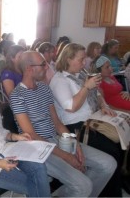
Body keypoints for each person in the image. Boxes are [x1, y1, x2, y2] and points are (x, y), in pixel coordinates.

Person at [10, 51, 116, 197]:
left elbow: (57, 123)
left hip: (56, 140)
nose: (47, 67)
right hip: (37, 149)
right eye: (42, 64)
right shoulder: (17, 96)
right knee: (83, 185)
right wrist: (67, 156)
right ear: (29, 68)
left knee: (108, 164)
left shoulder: (44, 88)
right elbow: (31, 135)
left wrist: (74, 145)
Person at [49, 43, 124, 197]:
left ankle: (113, 185)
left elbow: (97, 92)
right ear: (68, 59)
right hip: (75, 127)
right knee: (112, 150)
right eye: (81, 59)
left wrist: (103, 104)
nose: (84, 63)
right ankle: (107, 192)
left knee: (120, 143)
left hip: (92, 119)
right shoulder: (59, 80)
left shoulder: (81, 73)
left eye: (84, 59)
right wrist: (86, 87)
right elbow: (71, 107)